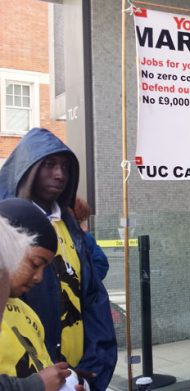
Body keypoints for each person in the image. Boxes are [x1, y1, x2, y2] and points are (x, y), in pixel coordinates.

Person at [0, 128, 117, 391]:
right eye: (49, 165)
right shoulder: (6, 225)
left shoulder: (72, 227)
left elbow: (93, 297)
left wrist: (92, 371)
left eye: (65, 167)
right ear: (28, 169)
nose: (60, 174)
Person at [0, 198, 78, 391]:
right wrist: (37, 385)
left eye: (45, 268)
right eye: (35, 264)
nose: (39, 277)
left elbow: (43, 366)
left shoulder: (27, 311)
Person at [71, 198, 108, 281]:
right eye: (79, 221)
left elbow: (101, 263)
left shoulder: (86, 238)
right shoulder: (85, 237)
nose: (85, 227)